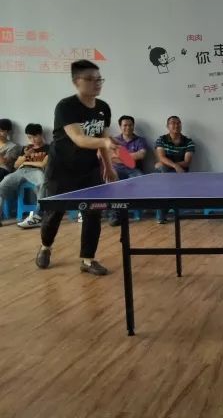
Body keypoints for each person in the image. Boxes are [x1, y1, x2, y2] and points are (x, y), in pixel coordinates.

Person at [35, 60, 118, 276]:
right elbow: (79, 139)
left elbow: (103, 140)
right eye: (90, 79)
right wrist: (105, 142)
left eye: (99, 79)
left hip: (89, 170)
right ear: (76, 82)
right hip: (61, 170)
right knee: (54, 214)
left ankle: (88, 259)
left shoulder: (103, 108)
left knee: (93, 212)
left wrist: (108, 167)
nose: (96, 83)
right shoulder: (65, 107)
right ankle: (46, 246)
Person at [0, 123, 49, 227]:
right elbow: (16, 165)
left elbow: (43, 164)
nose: (33, 140)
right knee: (2, 184)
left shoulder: (48, 148)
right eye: (29, 137)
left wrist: (26, 162)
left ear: (41, 135)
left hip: (36, 171)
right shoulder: (26, 148)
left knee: (42, 182)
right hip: (21, 171)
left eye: (35, 136)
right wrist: (26, 155)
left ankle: (37, 215)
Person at [107, 115, 148, 226]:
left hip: (133, 170)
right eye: (125, 125)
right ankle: (114, 215)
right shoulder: (113, 141)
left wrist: (120, 156)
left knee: (141, 181)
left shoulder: (140, 140)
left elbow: (141, 155)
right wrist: (130, 157)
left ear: (133, 126)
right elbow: (111, 157)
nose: (128, 127)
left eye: (130, 125)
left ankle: (135, 211)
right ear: (120, 127)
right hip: (116, 170)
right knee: (111, 185)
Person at [154, 116, 195, 223]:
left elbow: (187, 162)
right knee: (165, 176)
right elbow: (161, 157)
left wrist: (167, 164)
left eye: (178, 123)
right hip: (168, 171)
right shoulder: (161, 139)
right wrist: (176, 166)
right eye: (173, 123)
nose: (176, 125)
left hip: (181, 173)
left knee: (163, 170)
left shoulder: (188, 141)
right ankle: (162, 216)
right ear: (167, 126)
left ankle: (161, 216)